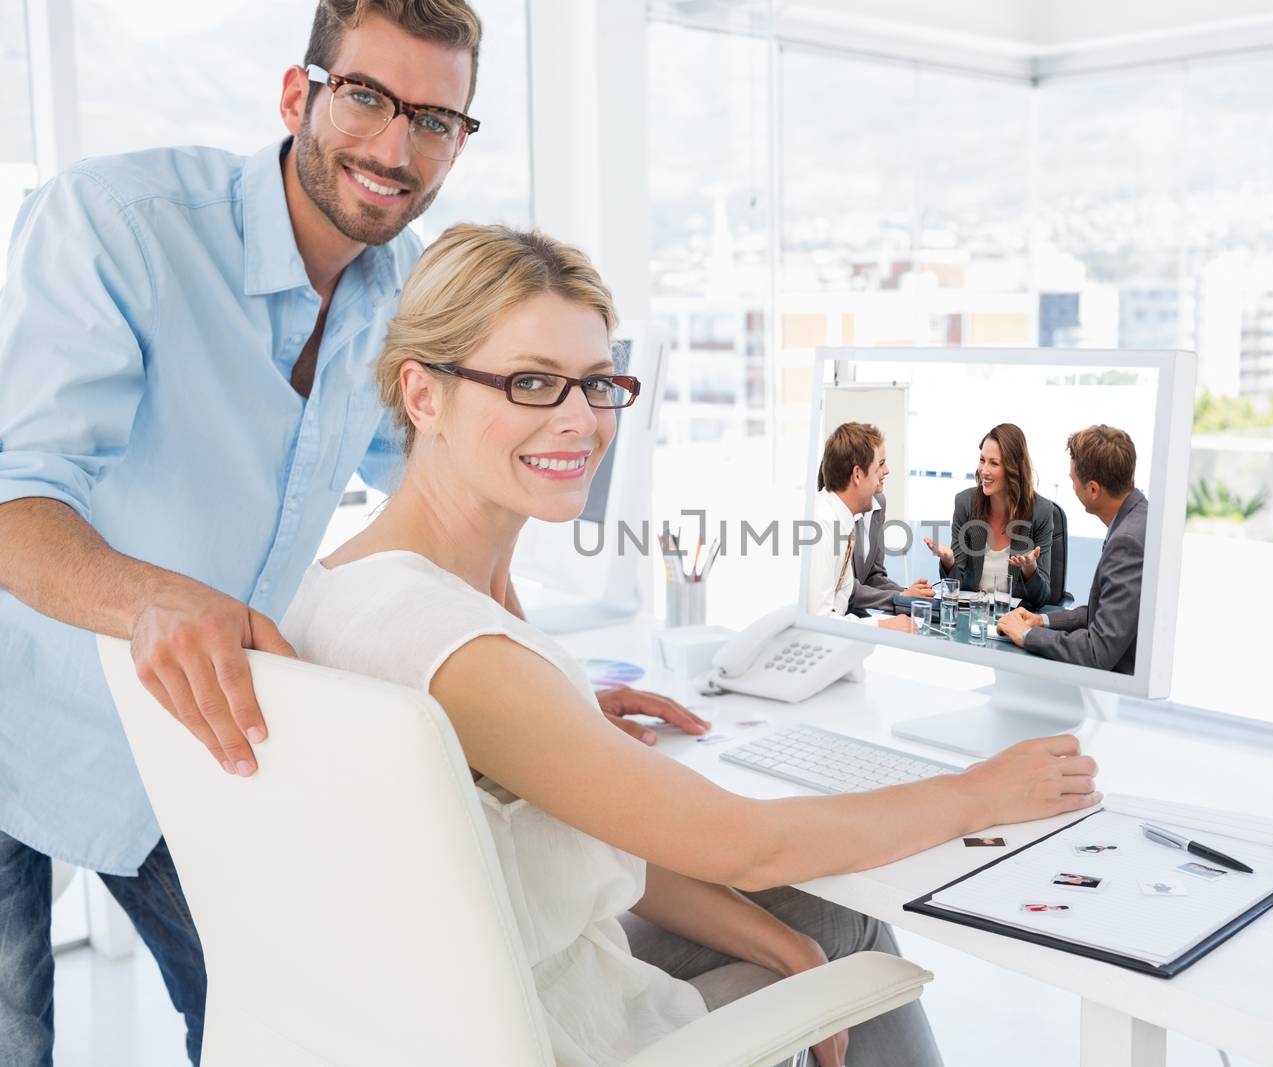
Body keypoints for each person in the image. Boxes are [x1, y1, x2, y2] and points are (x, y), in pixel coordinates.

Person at [0, 3, 694, 1061]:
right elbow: (15, 491)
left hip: (210, 736)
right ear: (300, 95)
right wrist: (153, 596)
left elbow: (446, 503)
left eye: (436, 119)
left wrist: (535, 690)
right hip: (24, 718)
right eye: (368, 97)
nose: (395, 147)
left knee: (286, 1022)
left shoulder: (406, 290)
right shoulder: (115, 223)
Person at [282, 224, 1103, 1067]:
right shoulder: (462, 645)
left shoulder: (359, 582)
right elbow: (748, 843)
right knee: (839, 908)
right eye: (530, 382)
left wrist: (788, 949)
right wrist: (979, 792)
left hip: (472, 991)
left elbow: (590, 827)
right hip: (555, 1025)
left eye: (597, 384)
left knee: (818, 918)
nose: (579, 421)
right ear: (423, 396)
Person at [996, 424, 1145, 675]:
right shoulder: (1137, 517)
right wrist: (1041, 621)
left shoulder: (1127, 541)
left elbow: (1098, 651)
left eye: (1074, 480)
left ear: (1094, 490)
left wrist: (1028, 635)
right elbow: (1104, 615)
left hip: (1117, 695)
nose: (1072, 485)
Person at [807, 422, 923, 633]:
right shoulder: (822, 525)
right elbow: (820, 620)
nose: (885, 472)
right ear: (858, 474)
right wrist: (882, 625)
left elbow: (842, 599)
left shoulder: (844, 521)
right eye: (879, 465)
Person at [924, 423, 1055, 609]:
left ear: (1014, 468)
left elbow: (1041, 598)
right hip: (972, 617)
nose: (984, 470)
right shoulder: (965, 504)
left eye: (994, 463)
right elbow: (956, 588)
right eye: (982, 460)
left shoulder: (1040, 511)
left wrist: (1030, 569)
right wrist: (948, 560)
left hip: (1012, 622)